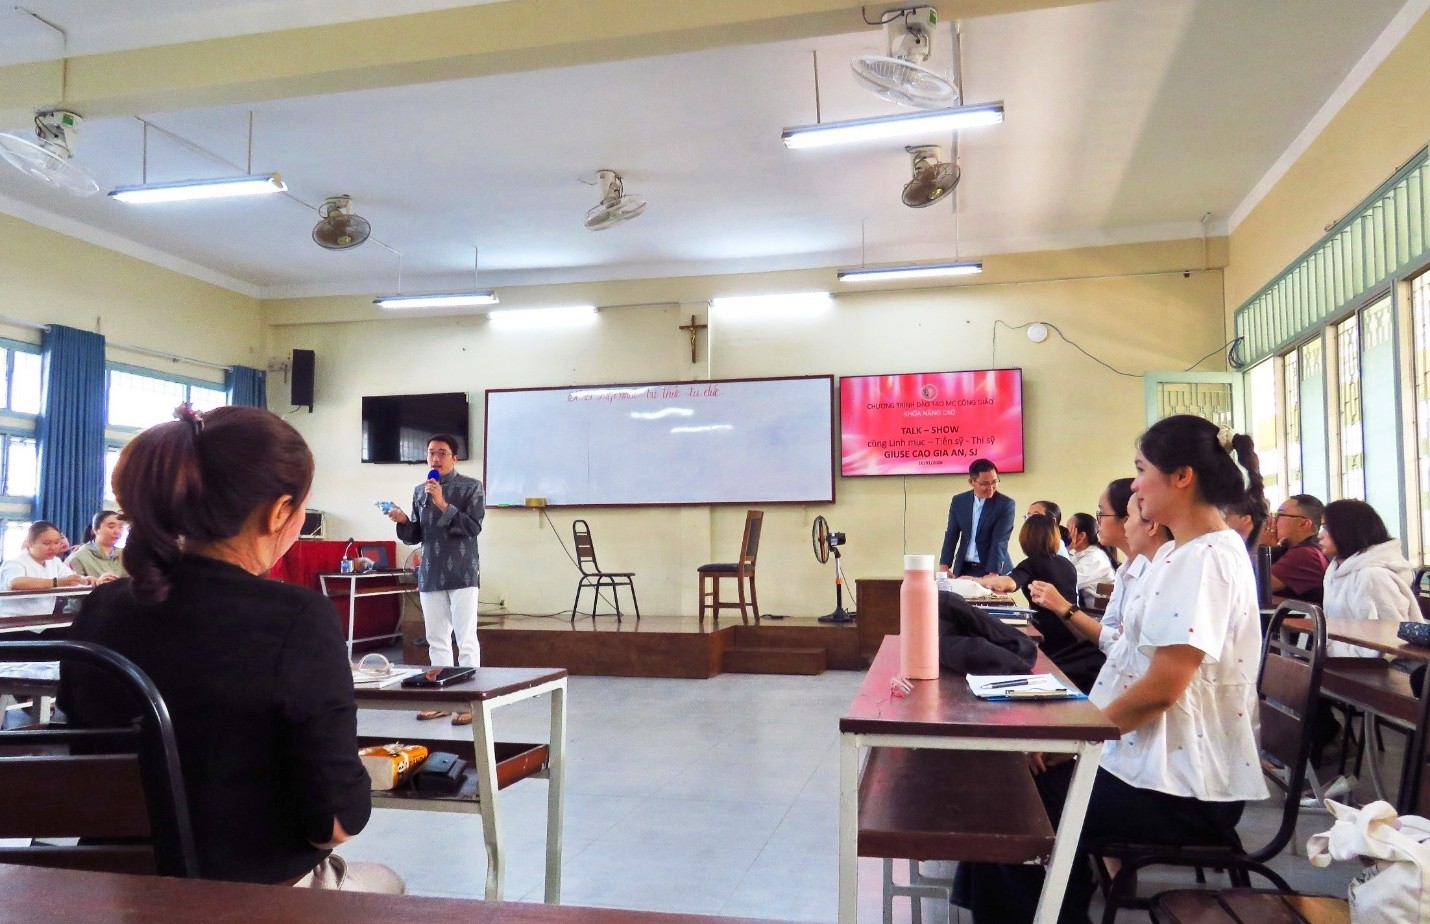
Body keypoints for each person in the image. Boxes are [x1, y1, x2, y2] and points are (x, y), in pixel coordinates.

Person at [58, 405, 400, 893]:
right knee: (387, 882)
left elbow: (84, 761)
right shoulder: (298, 618)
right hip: (245, 897)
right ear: (280, 511)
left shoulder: (100, 609)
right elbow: (335, 824)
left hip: (112, 892)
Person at [957, 415, 1267, 924]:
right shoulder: (1189, 554)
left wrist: (1076, 742)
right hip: (1152, 761)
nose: (1136, 486)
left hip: (1180, 786)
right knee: (1009, 781)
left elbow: (1161, 690)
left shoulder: (1204, 559)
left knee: (1011, 803)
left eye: (1142, 469)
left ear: (1182, 477)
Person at [384, 433, 485, 725]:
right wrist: (403, 520)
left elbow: (473, 527)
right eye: (431, 453)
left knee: (465, 639)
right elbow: (417, 534)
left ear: (454, 458)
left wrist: (442, 503)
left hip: (462, 571)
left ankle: (469, 702)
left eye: (442, 453)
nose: (435, 458)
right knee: (437, 640)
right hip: (430, 571)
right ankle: (442, 700)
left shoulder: (471, 487)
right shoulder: (420, 491)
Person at [1030, 479, 1172, 655]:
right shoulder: (1125, 570)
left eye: (1102, 514)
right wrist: (1061, 608)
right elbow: (1106, 636)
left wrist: (1064, 607)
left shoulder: (1160, 574)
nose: (1097, 523)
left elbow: (1126, 648)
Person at [974, 514, 1104, 693]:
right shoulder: (1066, 563)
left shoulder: (1031, 564)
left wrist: (974, 581)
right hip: (1074, 640)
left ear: (1025, 539)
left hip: (1048, 644)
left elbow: (1007, 584)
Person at [1320, 499, 1421, 658]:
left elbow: (1388, 644)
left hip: (1385, 666)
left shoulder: (1372, 576)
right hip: (1346, 661)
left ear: (1347, 529)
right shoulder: (1335, 571)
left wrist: (1327, 652)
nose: (1319, 535)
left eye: (1326, 527)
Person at [0, 521, 98, 616]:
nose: (53, 547)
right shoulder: (15, 562)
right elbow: (15, 583)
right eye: (46, 543)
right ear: (30, 543)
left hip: (43, 619)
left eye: (56, 542)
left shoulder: (54, 561)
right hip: (11, 620)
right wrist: (57, 582)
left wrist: (85, 580)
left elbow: (69, 577)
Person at [938, 458, 1016, 577]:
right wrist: (944, 566)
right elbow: (952, 534)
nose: (991, 488)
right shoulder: (959, 501)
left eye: (994, 482)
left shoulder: (1005, 504)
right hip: (964, 567)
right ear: (971, 482)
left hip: (991, 568)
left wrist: (993, 573)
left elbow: (1000, 540)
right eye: (985, 484)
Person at [1270, 494, 1328, 605]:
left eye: (1280, 514)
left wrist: (1260, 545)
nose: (1273, 521)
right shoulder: (1292, 549)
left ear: (1305, 523)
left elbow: (1256, 587)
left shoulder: (1306, 554)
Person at [1066, 511, 1116, 604]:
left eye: (1068, 529)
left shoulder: (1095, 558)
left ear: (1082, 536)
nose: (1064, 534)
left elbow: (1065, 582)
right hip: (1082, 609)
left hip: (1093, 612)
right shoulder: (1079, 556)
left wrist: (1063, 549)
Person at [65, 510, 128, 581]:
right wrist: (99, 582)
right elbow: (72, 584)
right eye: (111, 527)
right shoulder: (79, 556)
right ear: (95, 530)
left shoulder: (124, 555)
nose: (117, 531)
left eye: (121, 527)